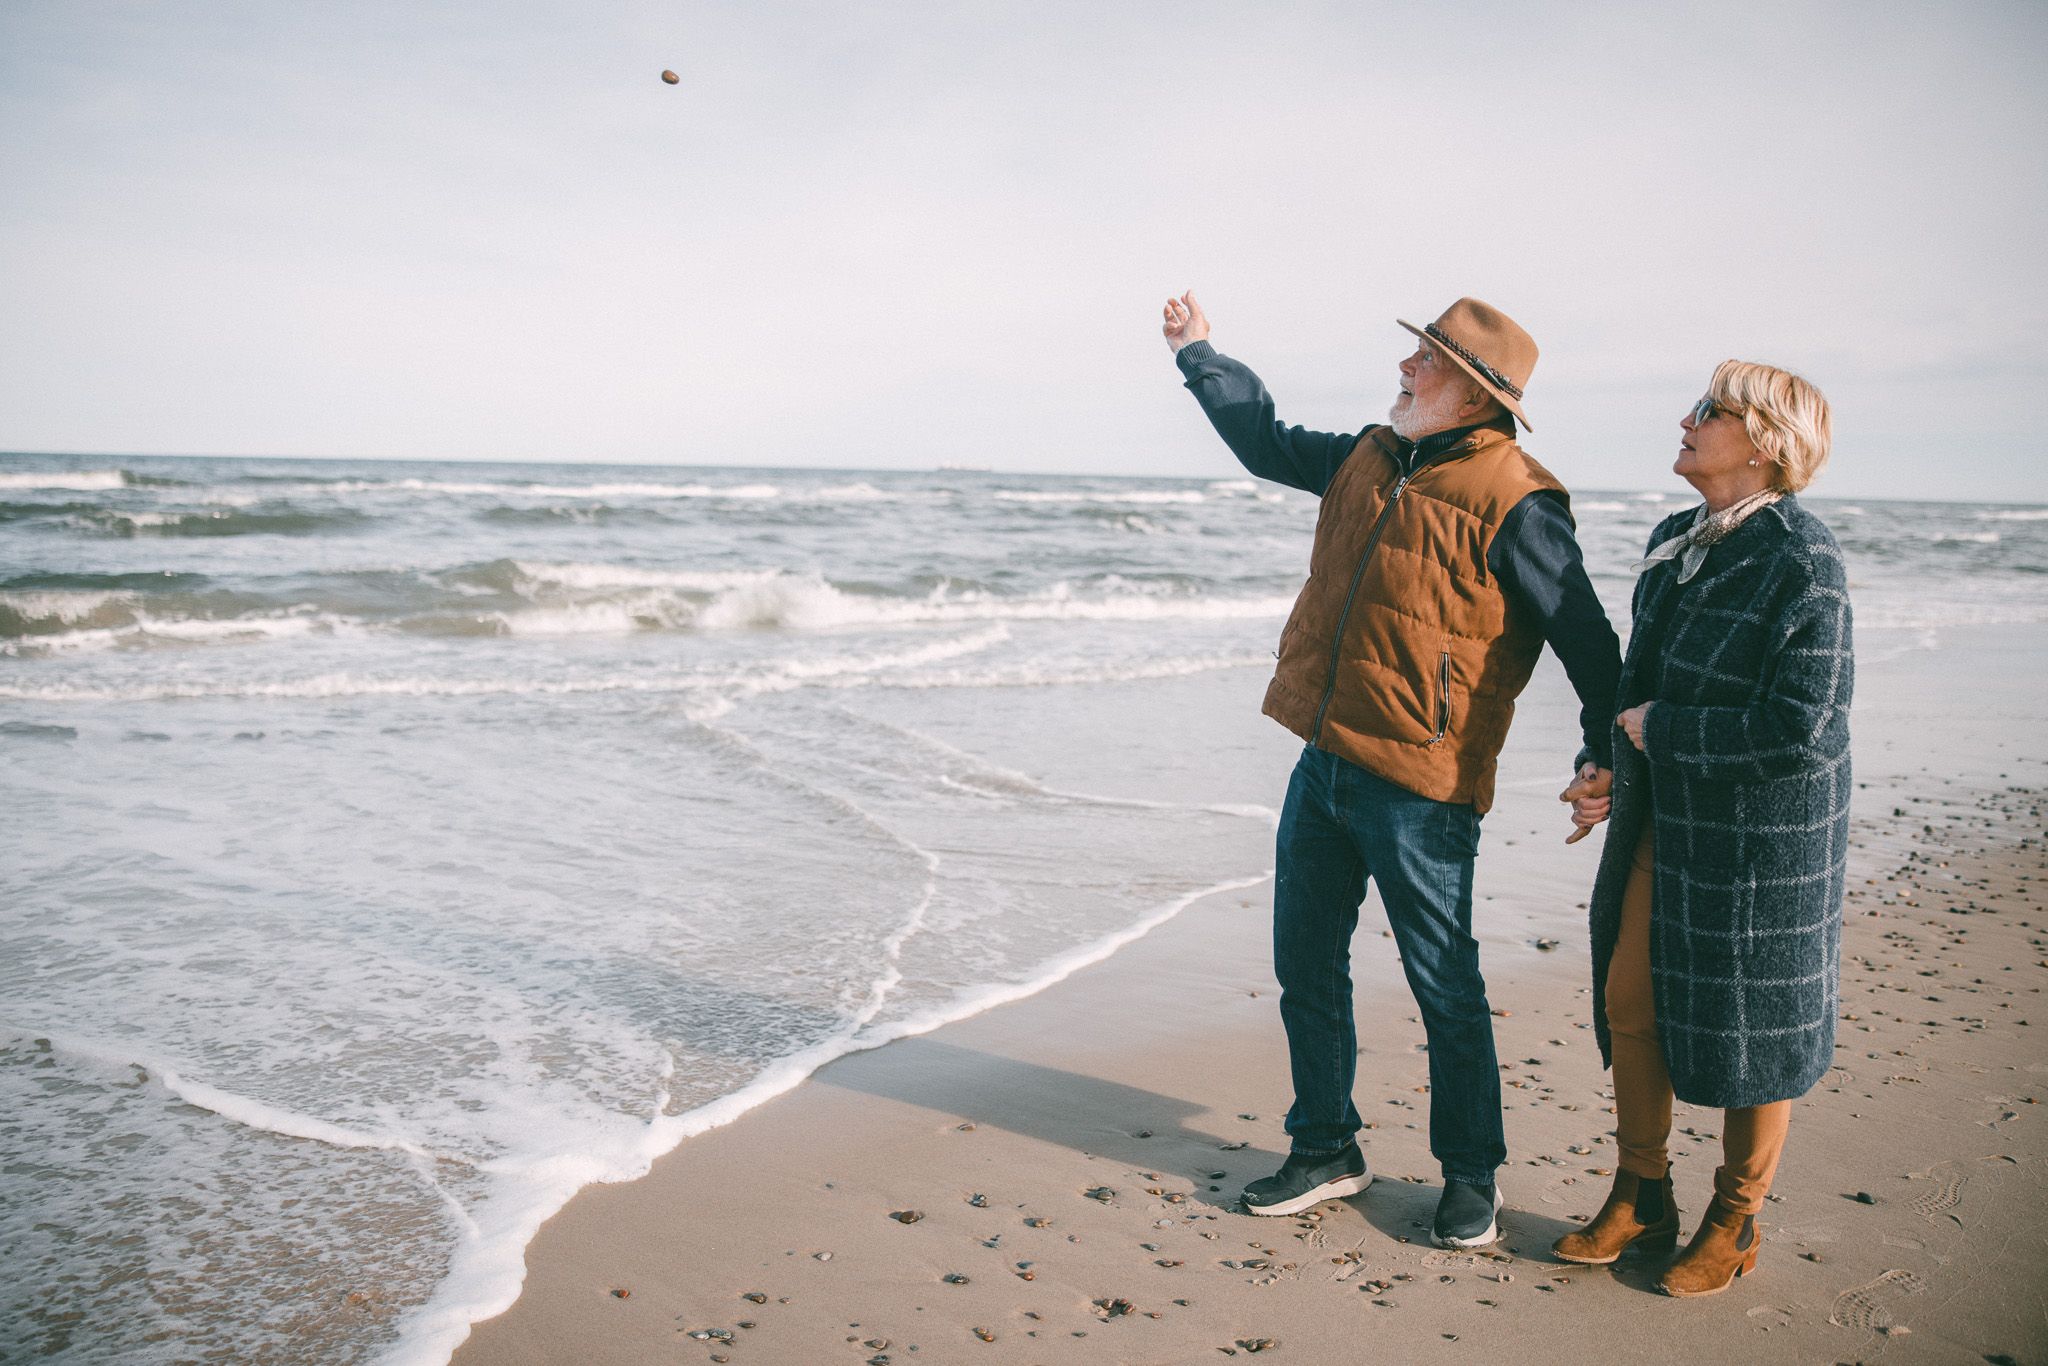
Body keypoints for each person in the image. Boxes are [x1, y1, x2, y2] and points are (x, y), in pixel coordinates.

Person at [1161, 291, 1623, 1247]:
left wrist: (1601, 750)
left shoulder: (1518, 500)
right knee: (1305, 966)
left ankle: (1471, 1177)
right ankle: (1326, 1144)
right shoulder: (1372, 455)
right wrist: (1202, 355)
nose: (1406, 370)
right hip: (1323, 757)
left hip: (1423, 783)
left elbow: (1588, 639)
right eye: (1414, 356)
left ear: (1475, 396)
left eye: (1426, 363)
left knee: (1442, 982)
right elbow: (1266, 441)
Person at [1554, 360, 1849, 1296]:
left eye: (1708, 411)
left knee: (1753, 1031)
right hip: (1663, 815)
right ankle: (1642, 1194)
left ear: (1764, 441)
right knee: (1629, 1001)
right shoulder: (1677, 536)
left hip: (1763, 840)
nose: (1684, 421)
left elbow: (1805, 729)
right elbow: (1637, 678)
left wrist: (1661, 732)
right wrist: (1603, 758)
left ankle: (1736, 1216)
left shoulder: (1804, 561)